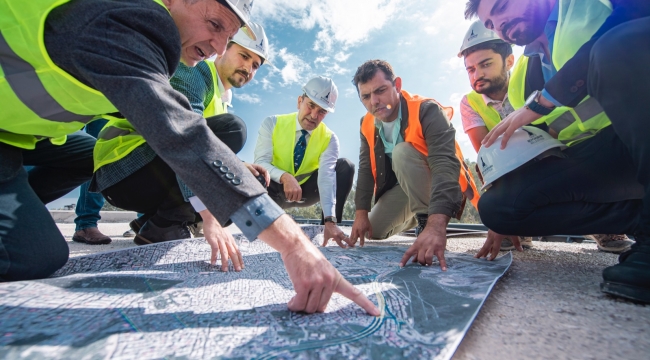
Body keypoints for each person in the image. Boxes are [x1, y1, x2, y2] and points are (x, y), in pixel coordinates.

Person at [0, 0, 379, 316]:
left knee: (85, 157)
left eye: (226, 36)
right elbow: (183, 135)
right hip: (56, 147)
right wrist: (294, 245)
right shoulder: (123, 21)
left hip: (22, 134)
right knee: (39, 256)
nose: (216, 47)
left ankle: (19, 201)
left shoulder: (180, 63)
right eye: (213, 24)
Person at [465, 0, 650, 303]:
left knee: (615, 45)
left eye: (502, 6)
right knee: (499, 209)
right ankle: (637, 219)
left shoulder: (590, 4)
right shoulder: (521, 82)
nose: (499, 23)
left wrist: (546, 99)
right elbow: (547, 138)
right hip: (606, 159)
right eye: (490, 23)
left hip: (637, 133)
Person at [458, 20, 633, 254]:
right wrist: (500, 221)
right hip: (517, 169)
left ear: (508, 61)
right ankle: (520, 225)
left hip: (569, 153)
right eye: (470, 69)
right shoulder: (470, 103)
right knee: (496, 211)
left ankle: (606, 223)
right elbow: (486, 156)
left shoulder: (530, 75)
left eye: (485, 64)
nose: (477, 74)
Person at [114, 22, 272, 239]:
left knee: (249, 176)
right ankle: (166, 223)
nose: (248, 68)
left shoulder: (220, 97)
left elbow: (205, 150)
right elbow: (183, 137)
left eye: (255, 65)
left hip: (151, 173)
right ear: (223, 48)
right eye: (244, 56)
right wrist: (209, 215)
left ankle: (153, 220)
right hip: (126, 171)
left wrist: (240, 166)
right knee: (234, 129)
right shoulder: (194, 72)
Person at [347, 60, 480, 271]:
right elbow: (365, 168)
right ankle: (414, 217)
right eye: (365, 96)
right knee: (375, 231)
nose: (374, 101)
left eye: (380, 90)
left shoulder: (427, 110)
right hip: (406, 186)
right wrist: (361, 213)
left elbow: (445, 165)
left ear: (397, 85)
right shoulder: (367, 124)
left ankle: (426, 220)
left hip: (439, 181)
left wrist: (435, 226)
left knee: (401, 151)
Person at [254, 76, 354, 248]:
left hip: (306, 192)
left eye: (322, 111)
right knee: (255, 175)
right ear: (299, 101)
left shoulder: (330, 138)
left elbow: (326, 178)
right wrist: (285, 177)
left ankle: (329, 229)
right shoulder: (272, 123)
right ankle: (260, 222)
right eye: (311, 105)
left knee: (345, 166)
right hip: (275, 190)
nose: (314, 115)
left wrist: (330, 220)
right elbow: (261, 162)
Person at [71, 119, 112, 245]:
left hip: (128, 104)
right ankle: (86, 224)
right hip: (102, 105)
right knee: (97, 156)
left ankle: (143, 221)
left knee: (139, 155)